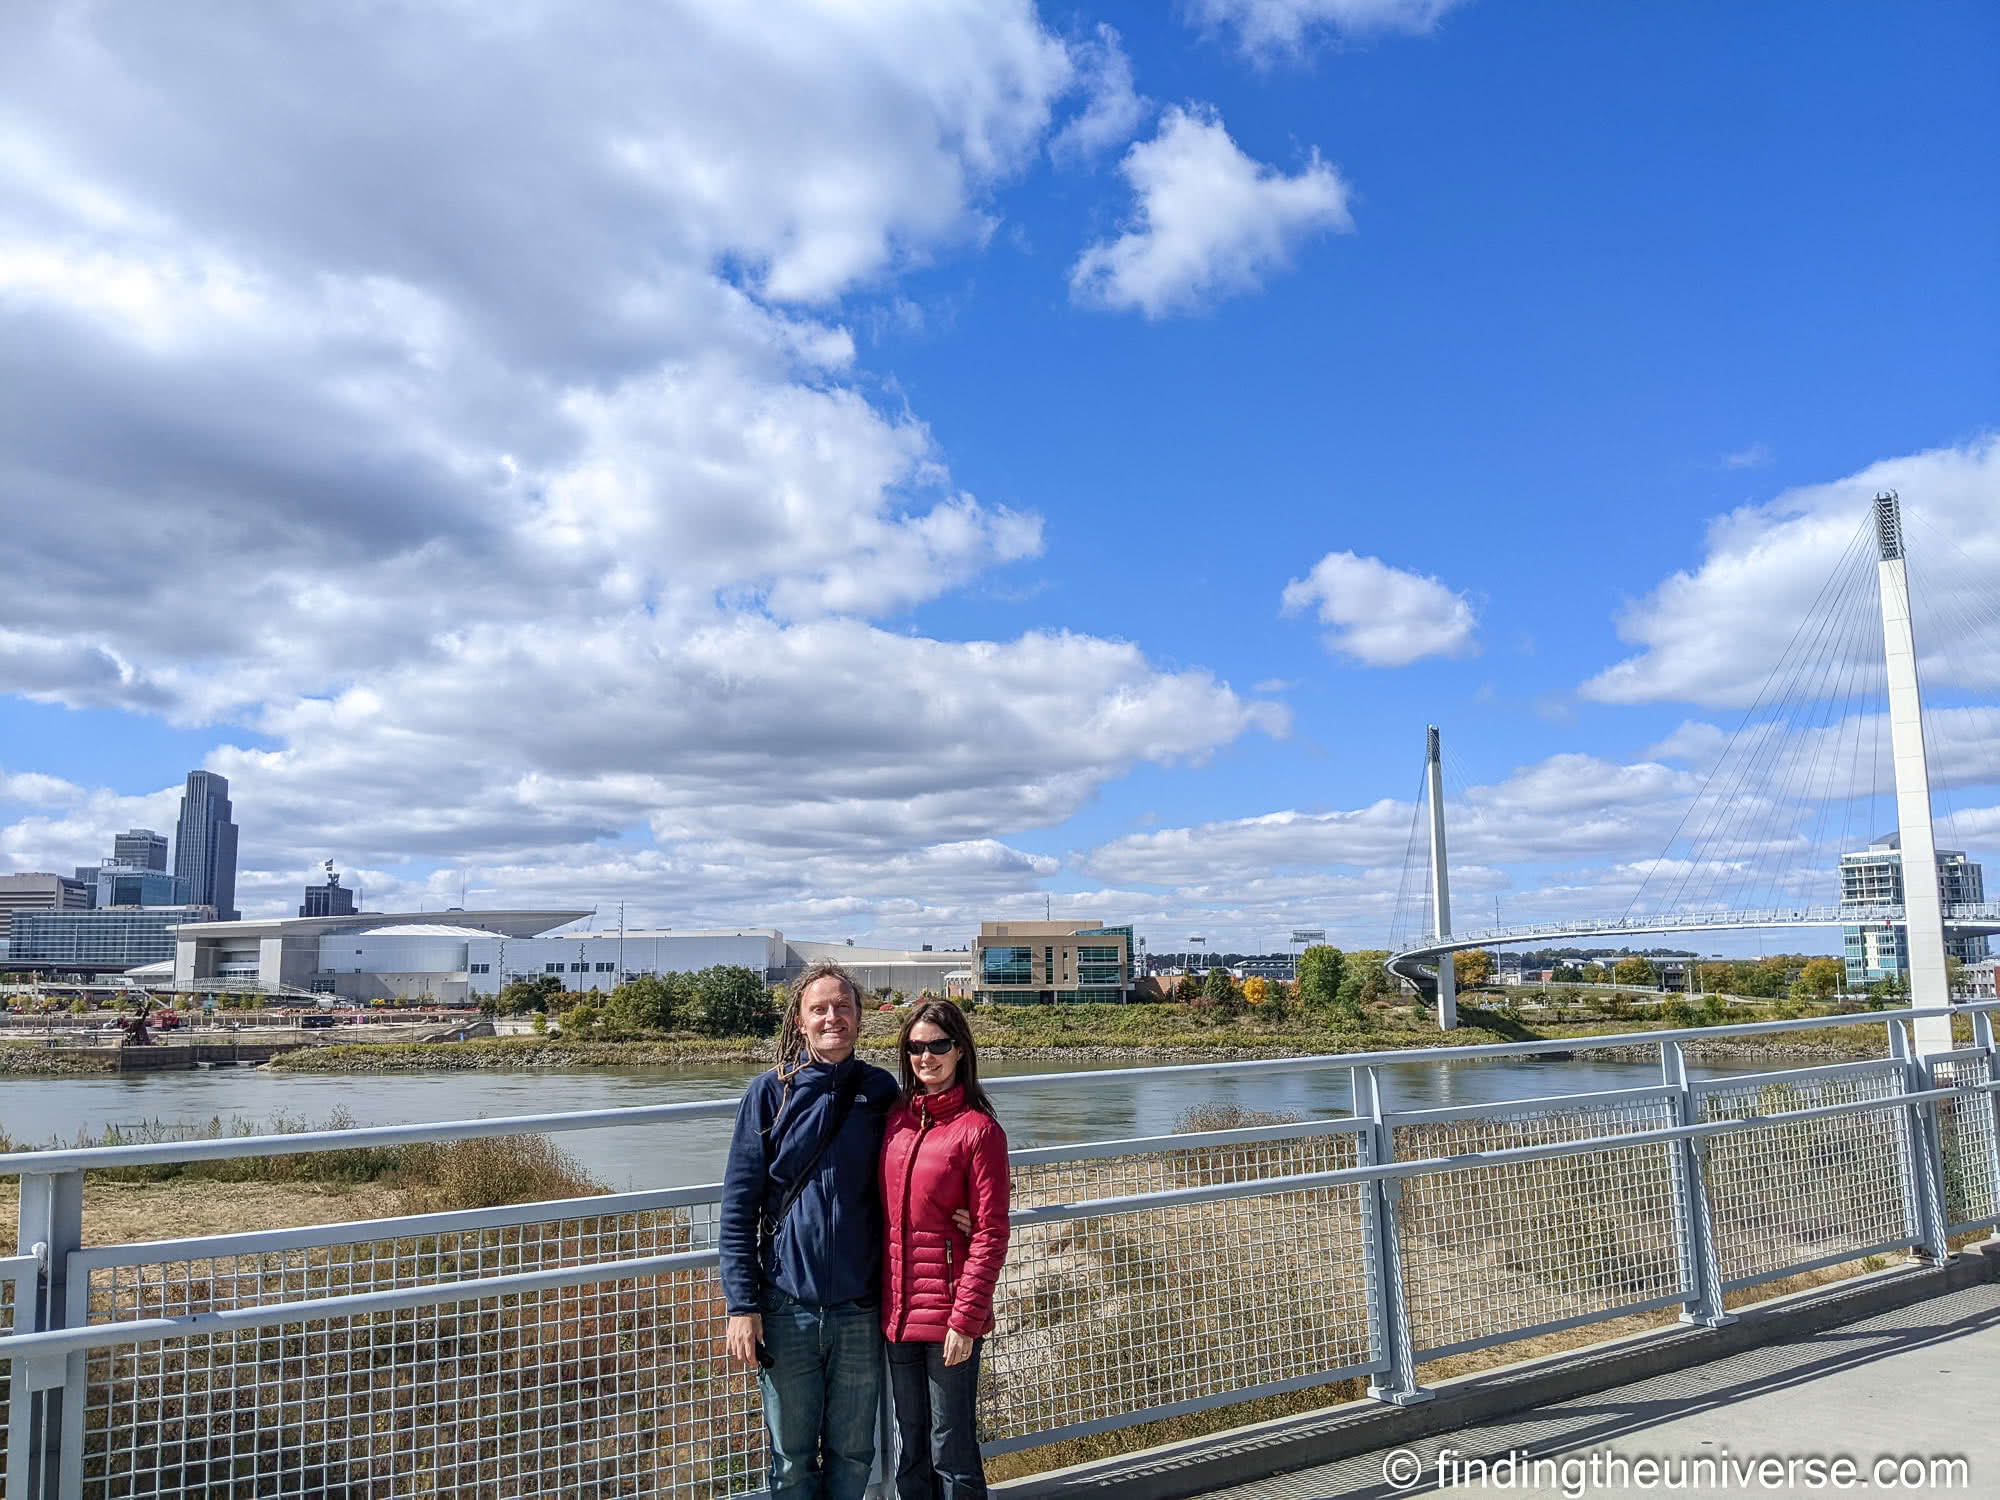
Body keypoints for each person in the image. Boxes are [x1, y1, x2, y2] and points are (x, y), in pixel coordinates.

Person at [720, 960, 901, 1500]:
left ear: (859, 1017)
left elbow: (916, 1168)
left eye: (842, 1007)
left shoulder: (881, 1091)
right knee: (791, 1461)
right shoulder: (770, 1093)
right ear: (800, 1021)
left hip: (859, 1308)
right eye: (818, 1009)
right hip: (786, 1307)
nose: (832, 1017)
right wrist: (741, 1306)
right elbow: (738, 1207)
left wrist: (959, 1209)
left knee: (854, 1453)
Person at [879, 999, 1011, 1500]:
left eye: (938, 1045)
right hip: (896, 1310)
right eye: (916, 1046)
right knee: (910, 1450)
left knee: (950, 1451)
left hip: (950, 1314)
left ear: (960, 1051)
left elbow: (992, 1233)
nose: (926, 1056)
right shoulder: (896, 1120)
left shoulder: (979, 1132)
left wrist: (965, 1319)